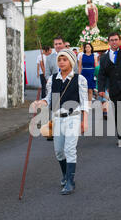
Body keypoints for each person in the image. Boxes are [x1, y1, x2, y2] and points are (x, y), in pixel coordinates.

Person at [33, 49, 89, 195]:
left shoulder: (80, 79)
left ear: (71, 62)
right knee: (58, 151)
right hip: (57, 118)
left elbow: (84, 102)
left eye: (64, 60)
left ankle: (70, 182)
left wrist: (85, 121)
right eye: (59, 60)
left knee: (70, 150)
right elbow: (49, 99)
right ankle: (65, 175)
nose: (61, 62)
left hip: (73, 117)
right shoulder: (52, 79)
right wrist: (41, 103)